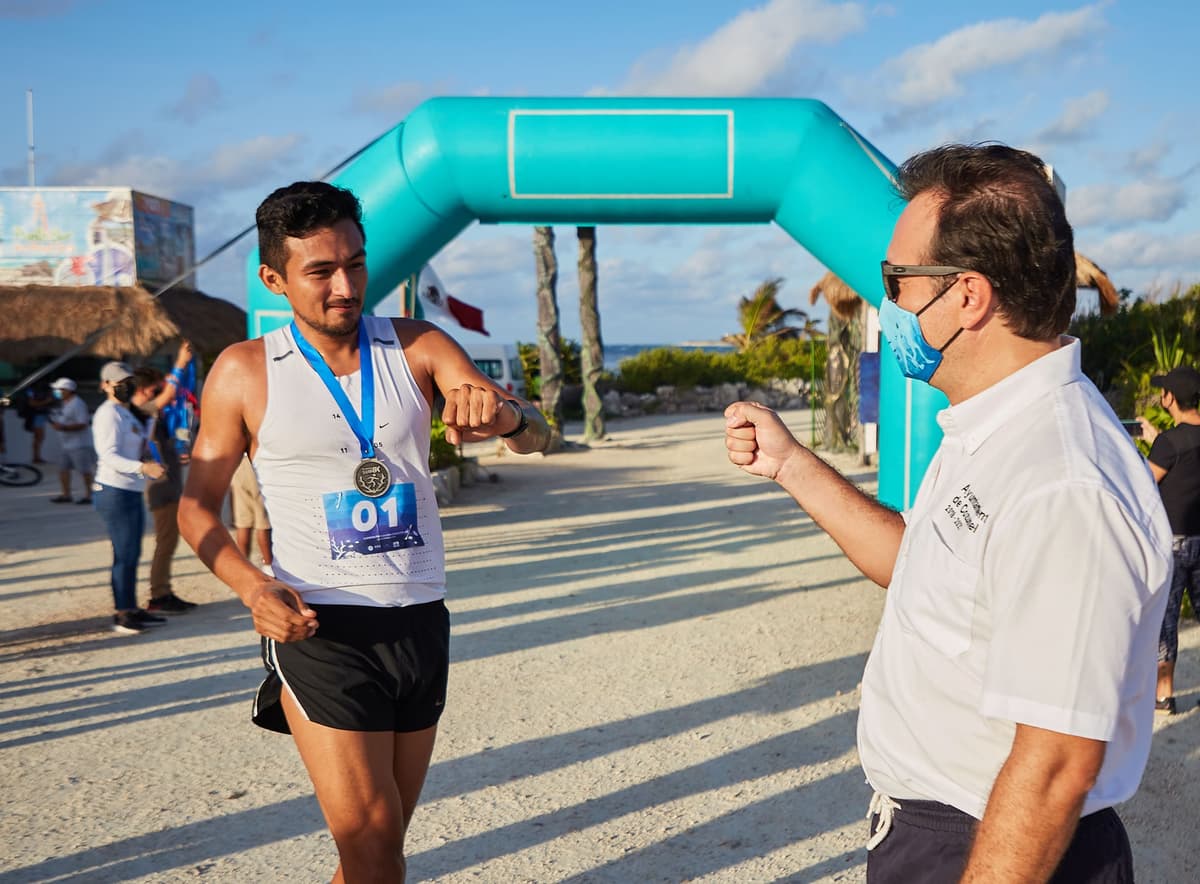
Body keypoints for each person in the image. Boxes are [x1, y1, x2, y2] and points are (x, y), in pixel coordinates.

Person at [725, 144, 1172, 882]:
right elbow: (919, 568)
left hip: (989, 842)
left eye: (896, 281)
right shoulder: (994, 427)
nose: (886, 300)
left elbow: (1056, 763)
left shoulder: (1062, 483)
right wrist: (792, 465)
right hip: (940, 830)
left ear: (967, 295)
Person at [178, 181, 550, 882]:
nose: (345, 285)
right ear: (273, 279)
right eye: (320, 271)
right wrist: (251, 586)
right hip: (320, 626)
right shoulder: (244, 372)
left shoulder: (418, 347)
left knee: (376, 851)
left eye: (355, 263)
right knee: (374, 840)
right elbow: (197, 505)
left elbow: (537, 438)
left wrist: (502, 418)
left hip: (418, 621)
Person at [1138, 365, 1200, 716]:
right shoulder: (1174, 441)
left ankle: (1165, 694)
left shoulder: (1168, 443)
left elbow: (1146, 482)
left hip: (1174, 544)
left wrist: (1152, 446)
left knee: (1168, 621)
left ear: (1170, 398)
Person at [92, 361, 169, 635]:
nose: (125, 387)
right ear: (105, 385)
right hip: (114, 491)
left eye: (127, 381)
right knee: (124, 554)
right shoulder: (108, 414)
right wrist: (142, 467)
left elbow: (138, 443)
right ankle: (122, 614)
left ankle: (131, 608)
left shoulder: (125, 413)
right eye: (118, 382)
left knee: (131, 552)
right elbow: (108, 455)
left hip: (129, 490)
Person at [131, 341, 200, 615]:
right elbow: (168, 393)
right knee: (165, 541)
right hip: (161, 489)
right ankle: (159, 594)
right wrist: (180, 364)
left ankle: (164, 591)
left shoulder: (147, 414)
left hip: (168, 486)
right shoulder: (138, 410)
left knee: (168, 541)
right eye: (153, 389)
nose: (158, 394)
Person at [47, 377, 96, 504]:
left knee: (85, 471)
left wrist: (63, 427)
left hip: (79, 445)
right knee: (63, 469)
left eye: (59, 389)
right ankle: (66, 494)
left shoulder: (78, 404)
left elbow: (83, 423)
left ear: (68, 390)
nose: (56, 392)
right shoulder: (66, 404)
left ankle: (90, 495)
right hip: (66, 445)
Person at [230, 454, 273, 574]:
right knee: (263, 521)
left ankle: (243, 568)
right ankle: (269, 566)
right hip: (254, 463)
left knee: (243, 522)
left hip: (237, 465)